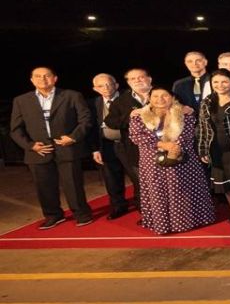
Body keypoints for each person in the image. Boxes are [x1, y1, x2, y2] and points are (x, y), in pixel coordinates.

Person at [10, 67, 94, 229]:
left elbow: (85, 119)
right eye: (38, 76)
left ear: (55, 78)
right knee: (44, 186)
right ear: (32, 80)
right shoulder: (21, 100)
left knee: (73, 184)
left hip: (67, 147)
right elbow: (16, 129)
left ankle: (81, 214)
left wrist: (73, 137)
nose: (43, 79)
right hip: (39, 151)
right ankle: (53, 215)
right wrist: (30, 145)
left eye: (47, 76)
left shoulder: (72, 95)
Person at [128, 87, 215, 234]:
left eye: (164, 95)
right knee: (158, 191)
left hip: (183, 159)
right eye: (155, 96)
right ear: (149, 98)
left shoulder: (184, 114)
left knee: (183, 190)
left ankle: (187, 222)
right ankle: (162, 224)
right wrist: (162, 144)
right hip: (152, 161)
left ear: (172, 97)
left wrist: (175, 148)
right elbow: (136, 136)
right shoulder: (139, 116)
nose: (160, 99)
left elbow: (187, 134)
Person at [197, 69, 230, 236]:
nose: (220, 85)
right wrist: (203, 149)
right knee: (227, 188)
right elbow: (203, 127)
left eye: (224, 82)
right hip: (217, 151)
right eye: (216, 82)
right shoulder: (207, 101)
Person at [104, 68, 155, 212]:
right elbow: (110, 122)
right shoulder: (121, 101)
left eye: (141, 77)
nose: (138, 80)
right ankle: (146, 213)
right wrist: (129, 116)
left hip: (163, 147)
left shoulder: (164, 94)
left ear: (149, 79)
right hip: (135, 149)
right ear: (128, 82)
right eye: (133, 79)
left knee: (167, 181)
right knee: (141, 182)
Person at [88, 73, 131, 220]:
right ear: (95, 89)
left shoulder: (128, 98)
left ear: (116, 85)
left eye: (109, 84)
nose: (105, 88)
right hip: (106, 146)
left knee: (136, 176)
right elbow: (91, 128)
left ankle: (143, 206)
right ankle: (119, 206)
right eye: (100, 86)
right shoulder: (93, 104)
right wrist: (95, 149)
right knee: (111, 178)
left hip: (128, 144)